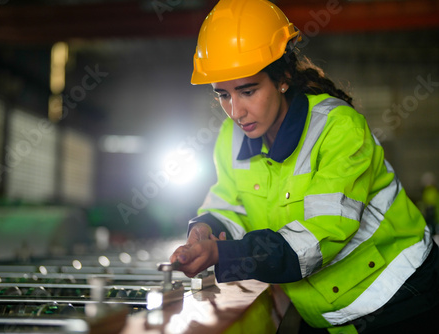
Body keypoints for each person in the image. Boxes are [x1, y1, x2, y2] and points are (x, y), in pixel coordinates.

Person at [169, 0, 439, 333]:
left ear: (282, 78)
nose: (235, 111)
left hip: (400, 301)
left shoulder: (338, 129)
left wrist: (223, 255)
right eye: (223, 95)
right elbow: (231, 202)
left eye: (247, 91)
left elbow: (316, 240)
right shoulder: (231, 136)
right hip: (327, 312)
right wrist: (206, 229)